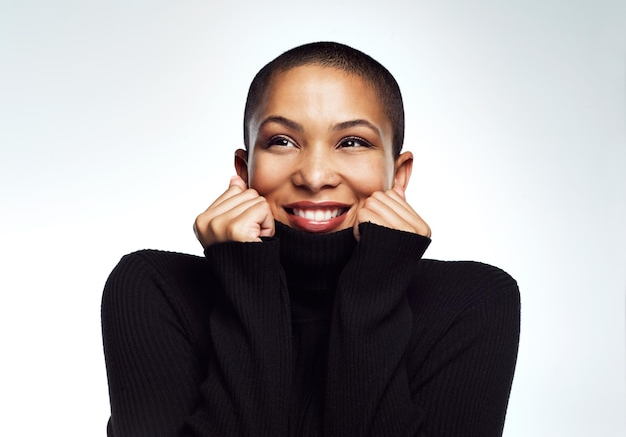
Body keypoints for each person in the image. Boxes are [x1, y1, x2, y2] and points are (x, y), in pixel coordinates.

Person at [101, 41, 520, 436]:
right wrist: (247, 282)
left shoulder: (473, 301)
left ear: (400, 174)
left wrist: (373, 291)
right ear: (245, 172)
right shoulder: (156, 288)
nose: (315, 177)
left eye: (352, 142)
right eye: (282, 141)